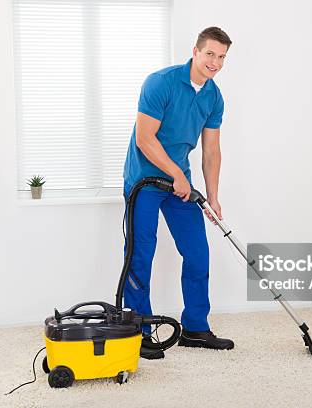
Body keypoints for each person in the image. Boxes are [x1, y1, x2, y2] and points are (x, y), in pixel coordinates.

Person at [122, 27, 233, 359]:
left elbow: (211, 151)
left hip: (178, 185)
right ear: (195, 51)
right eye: (210, 54)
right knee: (141, 254)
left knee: (197, 252)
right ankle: (139, 332)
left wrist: (212, 197)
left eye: (222, 57)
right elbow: (145, 139)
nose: (215, 62)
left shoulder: (214, 96)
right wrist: (175, 174)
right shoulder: (161, 82)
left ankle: (196, 327)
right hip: (144, 181)